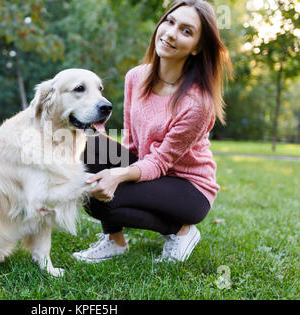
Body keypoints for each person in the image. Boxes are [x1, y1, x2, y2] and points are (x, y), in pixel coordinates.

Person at [73, 0, 233, 263]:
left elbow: (160, 162)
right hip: (148, 169)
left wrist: (118, 175)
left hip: (188, 187)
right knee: (85, 142)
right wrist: (106, 160)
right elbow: (133, 142)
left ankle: (181, 231)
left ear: (198, 47)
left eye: (186, 31)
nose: (170, 33)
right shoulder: (136, 77)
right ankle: (115, 241)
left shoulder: (197, 104)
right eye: (169, 22)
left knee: (99, 198)